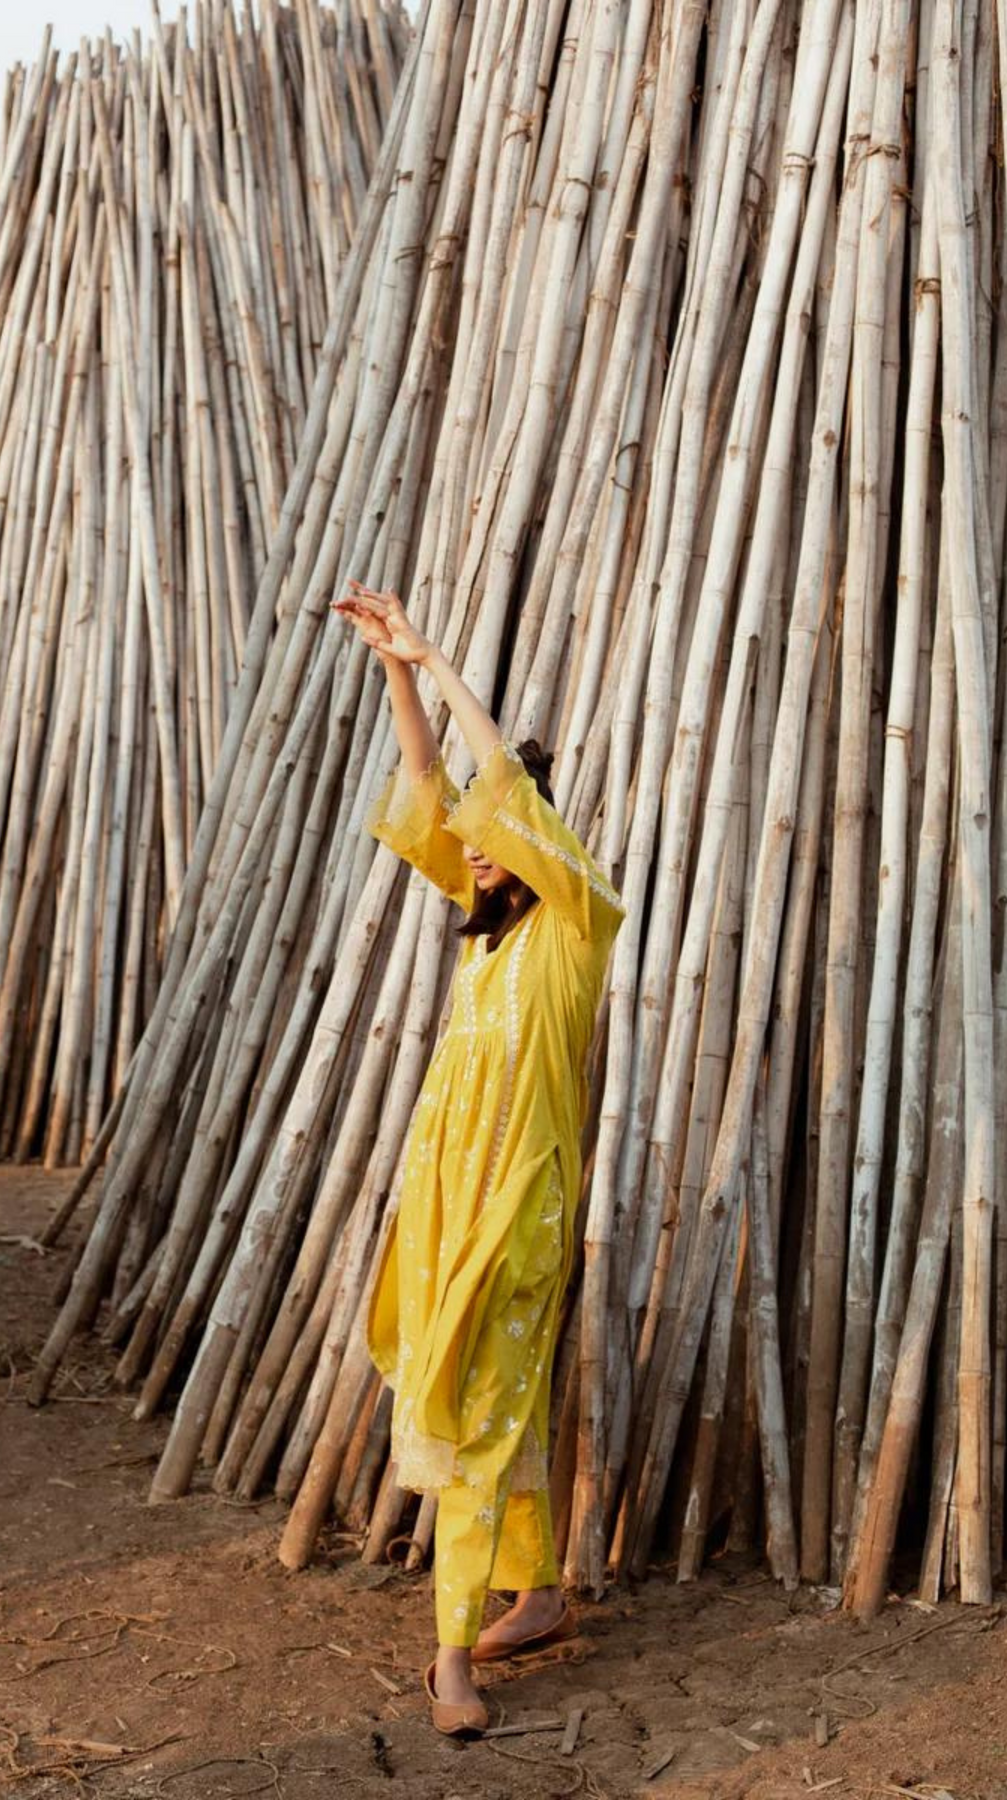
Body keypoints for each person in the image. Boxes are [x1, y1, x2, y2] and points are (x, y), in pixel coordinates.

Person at [330, 579, 626, 1735]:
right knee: (485, 1392)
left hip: (521, 1205)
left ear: (536, 841)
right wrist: (396, 677)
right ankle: (538, 1590)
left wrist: (439, 654)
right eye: (476, 851)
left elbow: (493, 784)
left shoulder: (579, 920)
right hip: (447, 1192)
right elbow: (431, 792)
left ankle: (451, 1655)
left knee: (479, 1410)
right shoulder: (491, 935)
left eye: (499, 841)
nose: (477, 852)